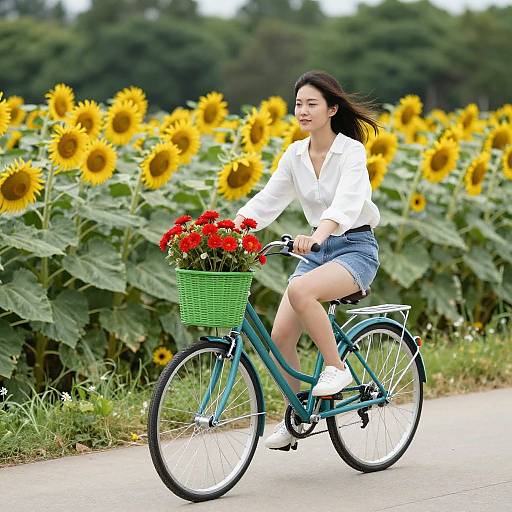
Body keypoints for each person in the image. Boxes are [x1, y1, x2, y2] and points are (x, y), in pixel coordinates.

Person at [233, 70, 381, 450]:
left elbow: (347, 202)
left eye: (312, 103)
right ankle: (297, 414)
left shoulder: (351, 152)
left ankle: (337, 367)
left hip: (354, 248)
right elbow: (268, 200)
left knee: (300, 290)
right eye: (298, 103)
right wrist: (232, 230)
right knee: (279, 336)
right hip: (317, 252)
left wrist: (318, 235)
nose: (302, 110)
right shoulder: (295, 154)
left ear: (332, 109)